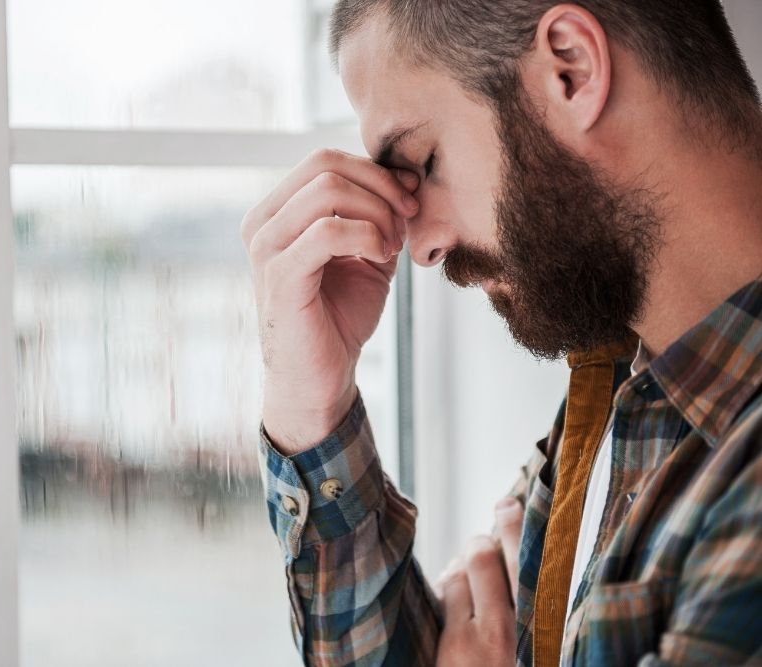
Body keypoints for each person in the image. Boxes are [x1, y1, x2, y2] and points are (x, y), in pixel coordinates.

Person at [240, 1, 762, 664]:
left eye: (423, 162)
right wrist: (311, 402)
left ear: (570, 69)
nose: (422, 247)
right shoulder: (617, 398)